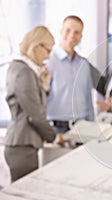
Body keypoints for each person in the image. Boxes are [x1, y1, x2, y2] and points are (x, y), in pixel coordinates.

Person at [4, 26, 56, 182]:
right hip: (22, 144)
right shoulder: (24, 71)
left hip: (22, 144)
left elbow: (33, 104)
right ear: (37, 46)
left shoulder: (23, 69)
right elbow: (35, 115)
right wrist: (53, 136)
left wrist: (43, 84)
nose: (48, 57)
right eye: (48, 50)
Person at [47, 15, 100, 146]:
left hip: (82, 129)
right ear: (61, 31)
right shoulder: (48, 62)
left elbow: (88, 98)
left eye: (77, 32)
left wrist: (92, 127)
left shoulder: (84, 64)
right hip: (56, 129)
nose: (72, 35)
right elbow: (40, 97)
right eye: (68, 30)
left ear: (81, 36)